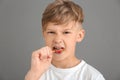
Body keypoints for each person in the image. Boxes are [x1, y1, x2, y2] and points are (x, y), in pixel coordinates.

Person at [25, 0, 105, 80]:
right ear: (44, 34)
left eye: (66, 32)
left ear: (79, 36)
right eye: (51, 32)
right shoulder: (37, 73)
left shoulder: (92, 76)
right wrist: (34, 74)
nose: (57, 40)